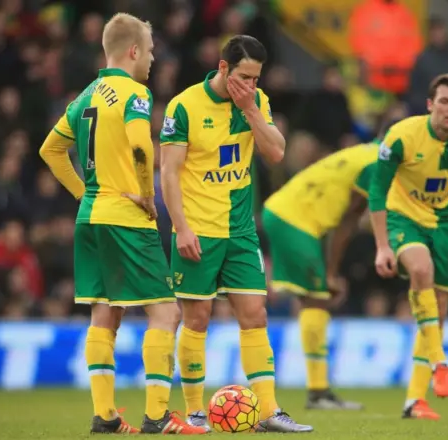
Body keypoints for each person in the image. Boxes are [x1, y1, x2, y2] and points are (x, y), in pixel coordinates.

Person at [39, 13, 206, 435]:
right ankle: (158, 416)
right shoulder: (135, 93)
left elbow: (51, 150)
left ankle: (106, 417)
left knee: (104, 314)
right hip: (126, 218)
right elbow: (139, 143)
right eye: (149, 51)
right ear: (133, 51)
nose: (151, 59)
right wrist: (147, 196)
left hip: (90, 217)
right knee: (166, 312)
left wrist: (83, 193)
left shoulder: (84, 97)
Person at [160, 35, 312, 433]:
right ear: (223, 68)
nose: (252, 85)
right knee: (197, 318)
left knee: (255, 315)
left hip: (241, 230)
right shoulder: (184, 105)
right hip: (198, 230)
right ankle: (195, 411)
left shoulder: (255, 103)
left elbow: (277, 152)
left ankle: (268, 411)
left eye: (257, 79)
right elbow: (169, 173)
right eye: (245, 76)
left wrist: (252, 111)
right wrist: (181, 228)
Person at [368, 73, 448, 420]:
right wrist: (382, 245)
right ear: (430, 104)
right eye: (445, 102)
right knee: (420, 269)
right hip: (401, 217)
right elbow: (377, 191)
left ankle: (413, 401)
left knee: (438, 309)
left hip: (445, 225)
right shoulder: (401, 136)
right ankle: (440, 361)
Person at [260, 122, 398, 410]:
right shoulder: (378, 163)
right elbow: (348, 222)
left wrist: (330, 274)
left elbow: (343, 218)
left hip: (290, 216)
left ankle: (319, 391)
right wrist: (331, 274)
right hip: (294, 221)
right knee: (316, 299)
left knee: (315, 298)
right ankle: (318, 393)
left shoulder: (363, 153)